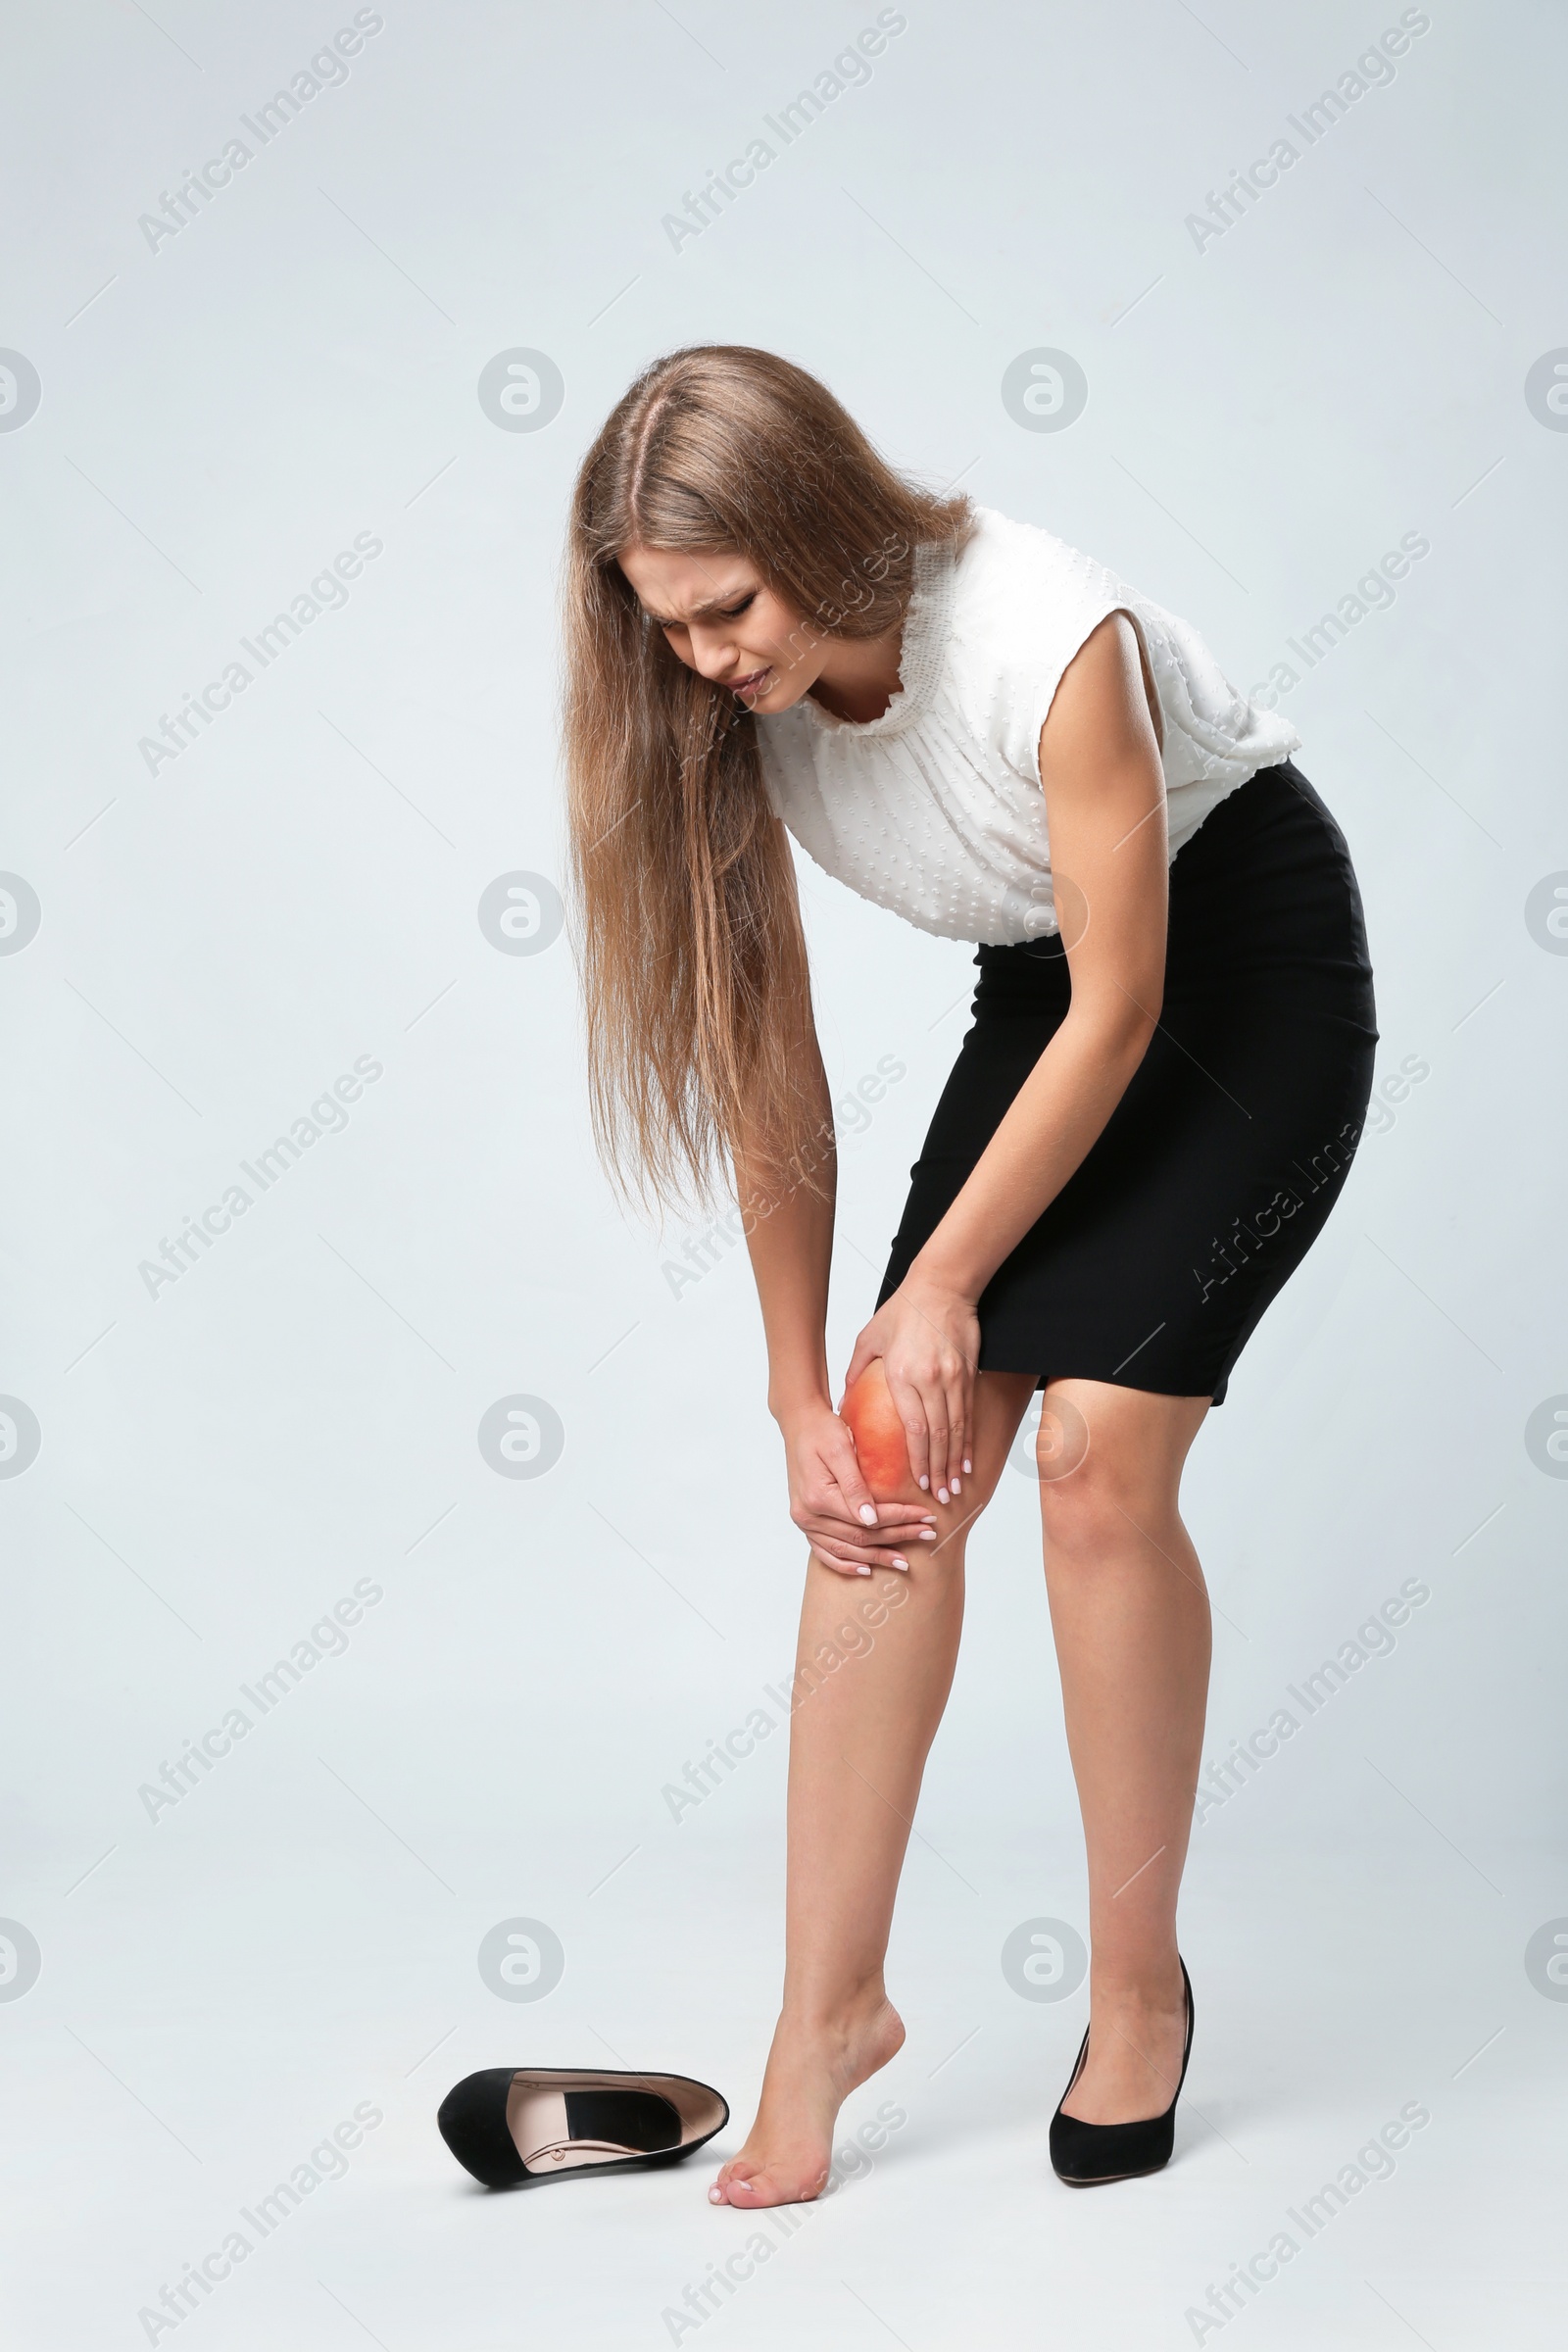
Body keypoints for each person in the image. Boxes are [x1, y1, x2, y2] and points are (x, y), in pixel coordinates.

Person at [563, 345, 1377, 2206]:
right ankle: (823, 2017)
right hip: (1054, 995)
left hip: (1233, 982)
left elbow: (1128, 1005)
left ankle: (1137, 1995)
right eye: (667, 627)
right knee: (884, 1464)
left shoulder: (1043, 634)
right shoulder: (720, 724)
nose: (705, 659)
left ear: (814, 522)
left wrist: (937, 1285)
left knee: (1093, 1462)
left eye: (727, 609)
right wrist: (801, 1386)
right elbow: (772, 1076)